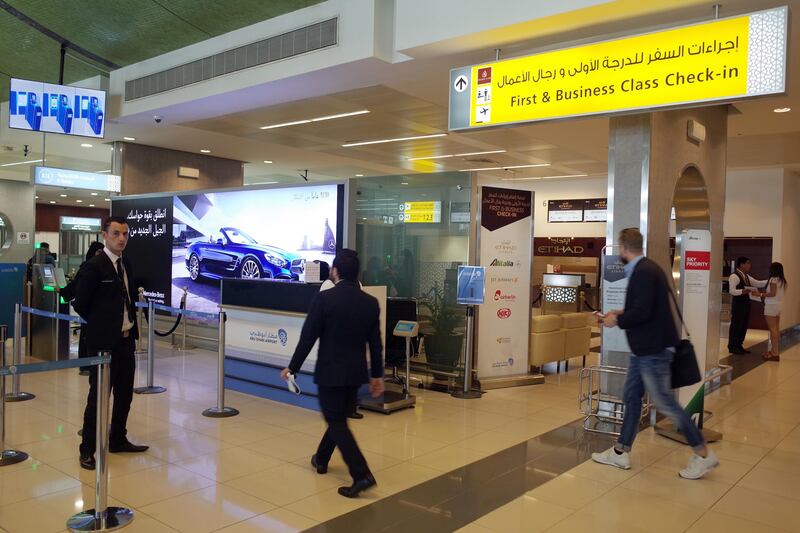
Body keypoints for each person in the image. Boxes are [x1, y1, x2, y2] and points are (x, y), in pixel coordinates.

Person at [592, 228, 719, 480]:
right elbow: (644, 307)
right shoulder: (648, 268)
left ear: (624, 248)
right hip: (645, 350)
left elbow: (643, 313)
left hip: (653, 351)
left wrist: (614, 321)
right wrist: (620, 312)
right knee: (631, 395)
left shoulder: (644, 273)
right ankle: (620, 452)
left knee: (664, 403)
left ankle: (703, 454)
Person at [281, 250, 384, 498]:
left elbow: (308, 337)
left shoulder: (324, 299)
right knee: (338, 418)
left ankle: (361, 475)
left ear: (334, 271)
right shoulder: (370, 303)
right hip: (356, 374)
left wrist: (292, 367)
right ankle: (321, 458)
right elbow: (375, 343)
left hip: (330, 372)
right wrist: (377, 376)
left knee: (336, 421)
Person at [73, 217, 148, 470]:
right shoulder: (94, 266)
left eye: (125, 234)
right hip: (103, 344)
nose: (122, 238)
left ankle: (118, 438)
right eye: (116, 233)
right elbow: (80, 304)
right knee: (98, 397)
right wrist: (102, 325)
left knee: (124, 394)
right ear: (105, 235)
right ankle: (87, 449)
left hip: (126, 342)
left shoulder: (127, 263)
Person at [60, 241, 105, 374]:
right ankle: (86, 365)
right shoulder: (88, 266)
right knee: (87, 338)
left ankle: (91, 365)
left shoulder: (102, 266)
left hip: (96, 311)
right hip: (89, 311)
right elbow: (76, 286)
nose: (100, 255)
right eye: (98, 252)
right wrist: (63, 292)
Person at [727, 257, 768, 355]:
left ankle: (739, 345)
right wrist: (743, 291)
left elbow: (758, 283)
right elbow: (731, 291)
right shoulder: (734, 276)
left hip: (746, 305)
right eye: (748, 263)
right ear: (741, 264)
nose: (750, 265)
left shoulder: (746, 276)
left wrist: (771, 280)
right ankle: (732, 346)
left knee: (743, 325)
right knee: (736, 326)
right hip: (738, 305)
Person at [758, 262, 786, 362]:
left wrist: (760, 294)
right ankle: (774, 351)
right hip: (778, 306)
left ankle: (775, 354)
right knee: (776, 329)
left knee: (773, 330)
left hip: (771, 306)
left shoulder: (773, 279)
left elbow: (772, 293)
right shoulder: (781, 280)